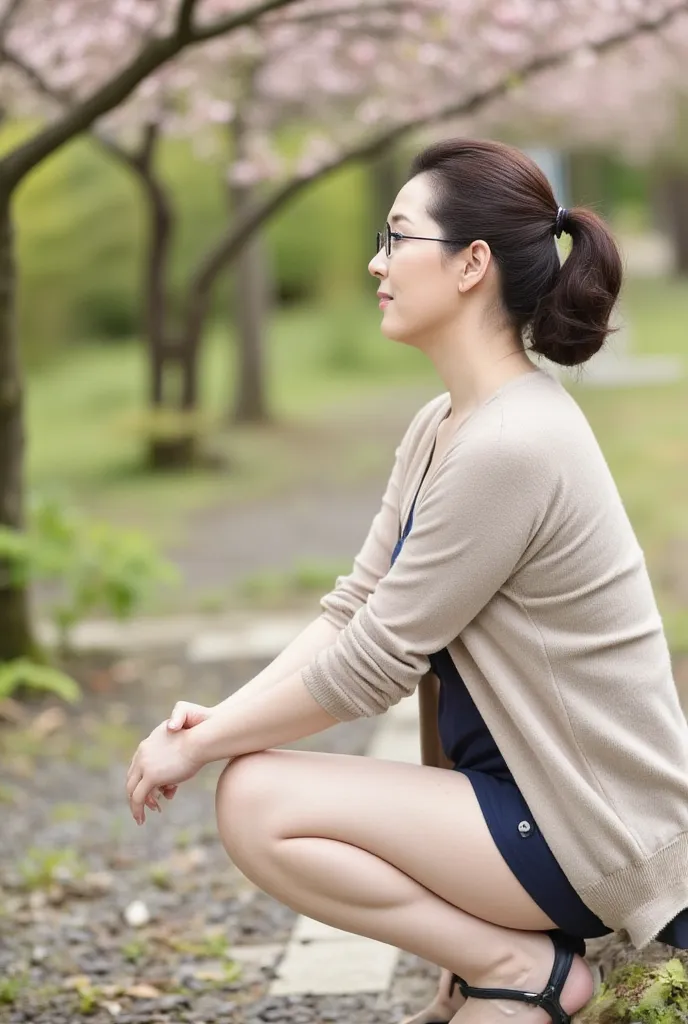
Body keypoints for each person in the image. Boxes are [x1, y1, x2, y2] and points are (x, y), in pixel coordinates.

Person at [126, 138, 688, 1024]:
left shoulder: (514, 444)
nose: (375, 262)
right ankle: (503, 965)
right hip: (521, 798)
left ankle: (519, 966)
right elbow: (354, 606)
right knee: (252, 776)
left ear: (472, 265)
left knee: (257, 797)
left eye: (397, 238)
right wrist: (219, 716)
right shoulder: (446, 423)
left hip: (589, 829)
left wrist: (202, 749)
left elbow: (373, 666)